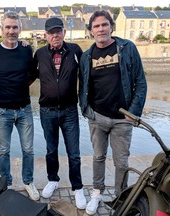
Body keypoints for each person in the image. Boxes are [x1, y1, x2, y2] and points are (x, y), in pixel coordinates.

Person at [79, 10, 147, 215]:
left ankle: (120, 197)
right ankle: (97, 193)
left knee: (121, 162)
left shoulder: (127, 48)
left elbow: (140, 83)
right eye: (96, 26)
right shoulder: (86, 56)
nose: (100, 29)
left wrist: (133, 112)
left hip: (122, 119)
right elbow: (83, 86)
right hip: (97, 117)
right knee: (98, 157)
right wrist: (87, 111)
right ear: (91, 31)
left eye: (104, 25)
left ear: (111, 26)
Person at [0, 11, 39, 201]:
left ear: (20, 29)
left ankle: (28, 181)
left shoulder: (26, 49)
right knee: (3, 151)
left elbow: (32, 74)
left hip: (24, 110)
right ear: (2, 29)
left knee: (29, 150)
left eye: (15, 27)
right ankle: (5, 183)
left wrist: (20, 87)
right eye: (7, 27)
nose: (11, 31)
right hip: (2, 112)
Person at [32, 17, 86, 209]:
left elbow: (87, 75)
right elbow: (28, 77)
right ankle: (52, 179)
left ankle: (77, 187)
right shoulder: (39, 54)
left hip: (70, 111)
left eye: (58, 31)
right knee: (51, 149)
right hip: (47, 111)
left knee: (74, 153)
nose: (55, 35)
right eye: (51, 32)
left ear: (63, 32)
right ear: (46, 35)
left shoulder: (75, 50)